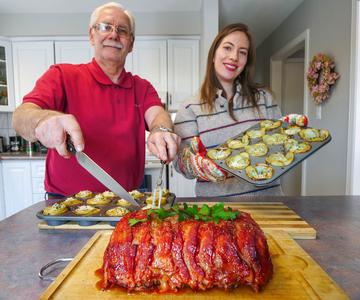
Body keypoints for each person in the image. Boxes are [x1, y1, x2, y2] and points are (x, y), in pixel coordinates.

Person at [12, 2, 180, 197]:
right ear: (92, 35)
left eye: (122, 30)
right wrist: (42, 120)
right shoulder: (62, 75)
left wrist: (161, 130)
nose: (114, 35)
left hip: (126, 202)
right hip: (67, 205)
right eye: (105, 27)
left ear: (131, 44)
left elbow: (158, 114)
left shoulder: (142, 87)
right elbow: (21, 116)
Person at [173, 23, 283, 197]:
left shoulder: (264, 98)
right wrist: (195, 165)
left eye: (242, 52)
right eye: (228, 48)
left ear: (246, 62)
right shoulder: (189, 108)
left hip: (268, 205)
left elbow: (281, 147)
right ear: (213, 55)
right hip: (217, 212)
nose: (234, 57)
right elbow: (181, 163)